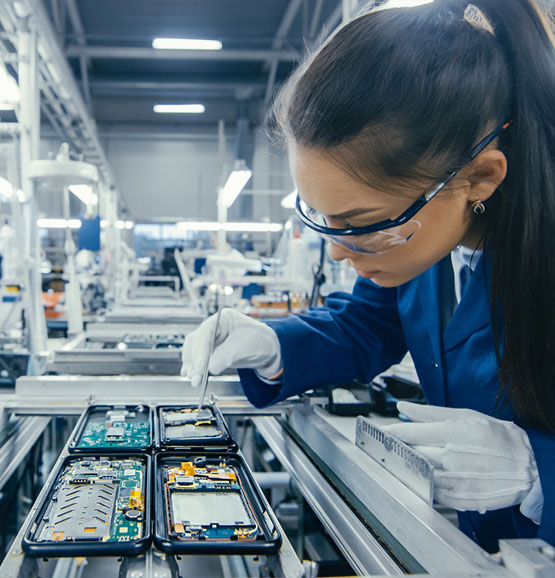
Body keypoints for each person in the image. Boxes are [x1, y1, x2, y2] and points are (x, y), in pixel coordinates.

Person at [181, 0, 555, 553]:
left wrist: (540, 469)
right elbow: (366, 324)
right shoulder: (424, 243)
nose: (336, 252)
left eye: (360, 223)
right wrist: (273, 345)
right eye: (322, 218)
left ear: (479, 177)